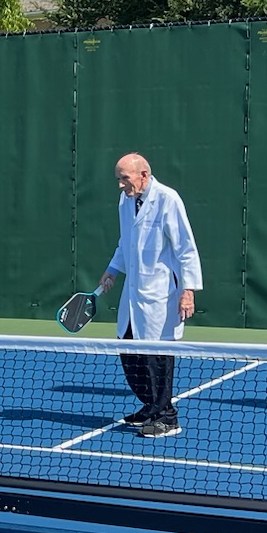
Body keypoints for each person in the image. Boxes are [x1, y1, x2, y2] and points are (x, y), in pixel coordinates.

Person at [98, 153, 203, 438]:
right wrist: (112, 269)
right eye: (118, 179)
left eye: (125, 179)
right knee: (129, 350)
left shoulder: (168, 199)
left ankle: (166, 417)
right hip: (132, 294)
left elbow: (185, 248)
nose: (120, 185)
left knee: (157, 356)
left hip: (161, 295)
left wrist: (188, 291)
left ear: (143, 174)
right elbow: (125, 242)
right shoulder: (126, 201)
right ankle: (150, 406)